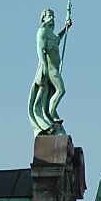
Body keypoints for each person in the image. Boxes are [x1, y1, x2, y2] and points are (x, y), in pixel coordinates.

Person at [28, 8, 72, 136]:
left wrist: (66, 28)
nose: (52, 17)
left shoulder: (51, 34)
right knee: (61, 90)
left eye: (53, 15)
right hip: (49, 69)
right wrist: (44, 67)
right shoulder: (41, 31)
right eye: (49, 15)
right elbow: (40, 50)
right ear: (43, 18)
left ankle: (51, 115)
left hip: (54, 68)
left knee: (53, 94)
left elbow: (58, 39)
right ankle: (51, 114)